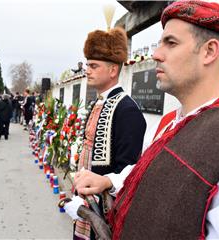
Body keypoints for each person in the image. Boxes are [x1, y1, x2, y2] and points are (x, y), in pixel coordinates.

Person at [70, 1, 219, 239]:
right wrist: (107, 181)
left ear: (209, 51)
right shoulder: (167, 125)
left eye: (170, 43)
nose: (156, 54)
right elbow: (148, 175)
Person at [65, 27, 147, 240]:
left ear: (113, 70)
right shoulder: (99, 102)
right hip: (86, 204)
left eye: (93, 66)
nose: (87, 70)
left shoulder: (127, 110)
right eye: (87, 65)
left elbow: (128, 170)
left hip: (106, 213)